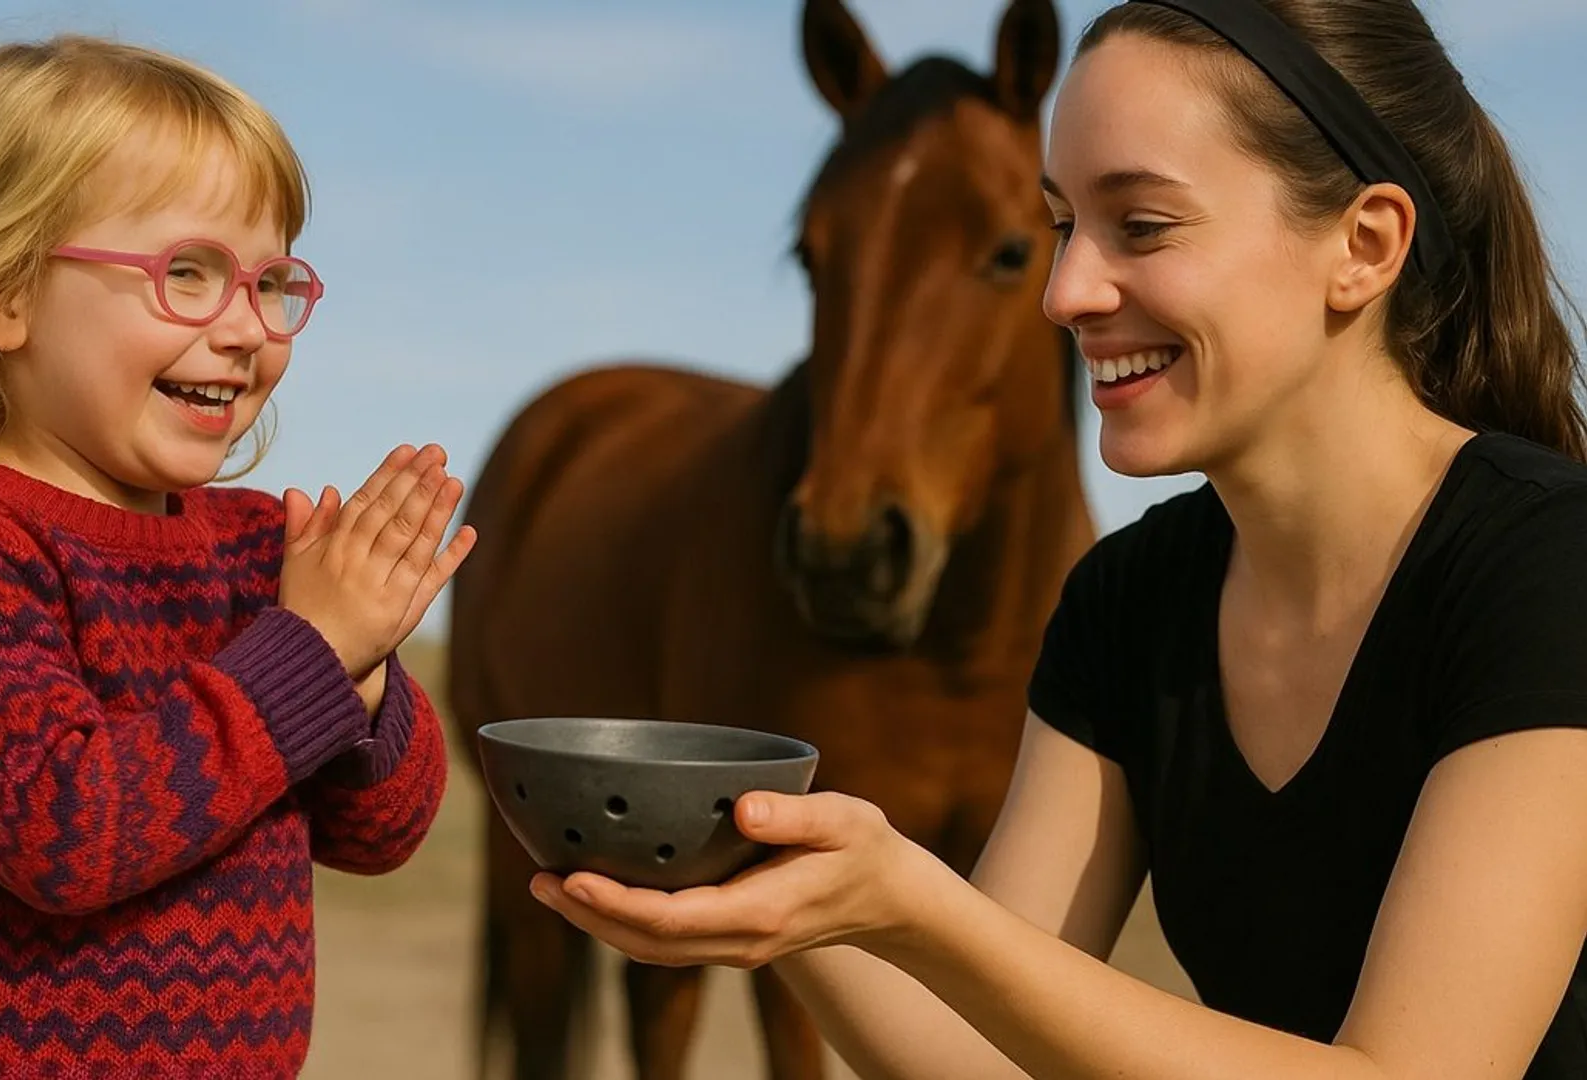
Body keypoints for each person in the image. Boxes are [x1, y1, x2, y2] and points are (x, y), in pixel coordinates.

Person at [531, 0, 1587, 1076]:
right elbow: (971, 1054)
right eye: (1062, 227)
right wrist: (760, 868)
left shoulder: (1546, 566)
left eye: (1142, 226)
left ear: (1364, 247)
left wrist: (922, 911)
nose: (1065, 292)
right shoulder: (1129, 599)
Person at [0, 34, 476, 1079]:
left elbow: (381, 831)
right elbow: (61, 827)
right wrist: (306, 650)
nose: (243, 329)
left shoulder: (261, 551)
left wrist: (363, 670)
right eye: (187, 273)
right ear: (3, 292)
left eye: (269, 284)